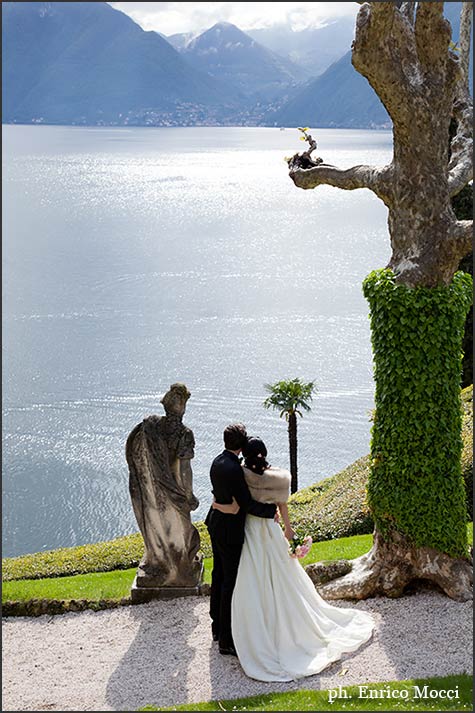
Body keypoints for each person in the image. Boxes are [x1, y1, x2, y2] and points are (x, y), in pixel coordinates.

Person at [213, 436, 375, 682]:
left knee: (253, 579)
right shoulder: (278, 477)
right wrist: (288, 530)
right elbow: (283, 506)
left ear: (245, 455)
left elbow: (240, 505)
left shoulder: (242, 474)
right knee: (283, 576)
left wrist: (219, 507)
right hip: (270, 531)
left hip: (251, 532)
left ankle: (247, 632)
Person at [205, 424, 277, 656]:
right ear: (241, 443)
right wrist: (271, 510)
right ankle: (226, 640)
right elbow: (245, 504)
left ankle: (216, 627)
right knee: (229, 582)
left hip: (214, 524)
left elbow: (223, 497)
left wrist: (222, 505)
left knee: (218, 575)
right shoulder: (235, 470)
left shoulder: (217, 461)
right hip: (229, 530)